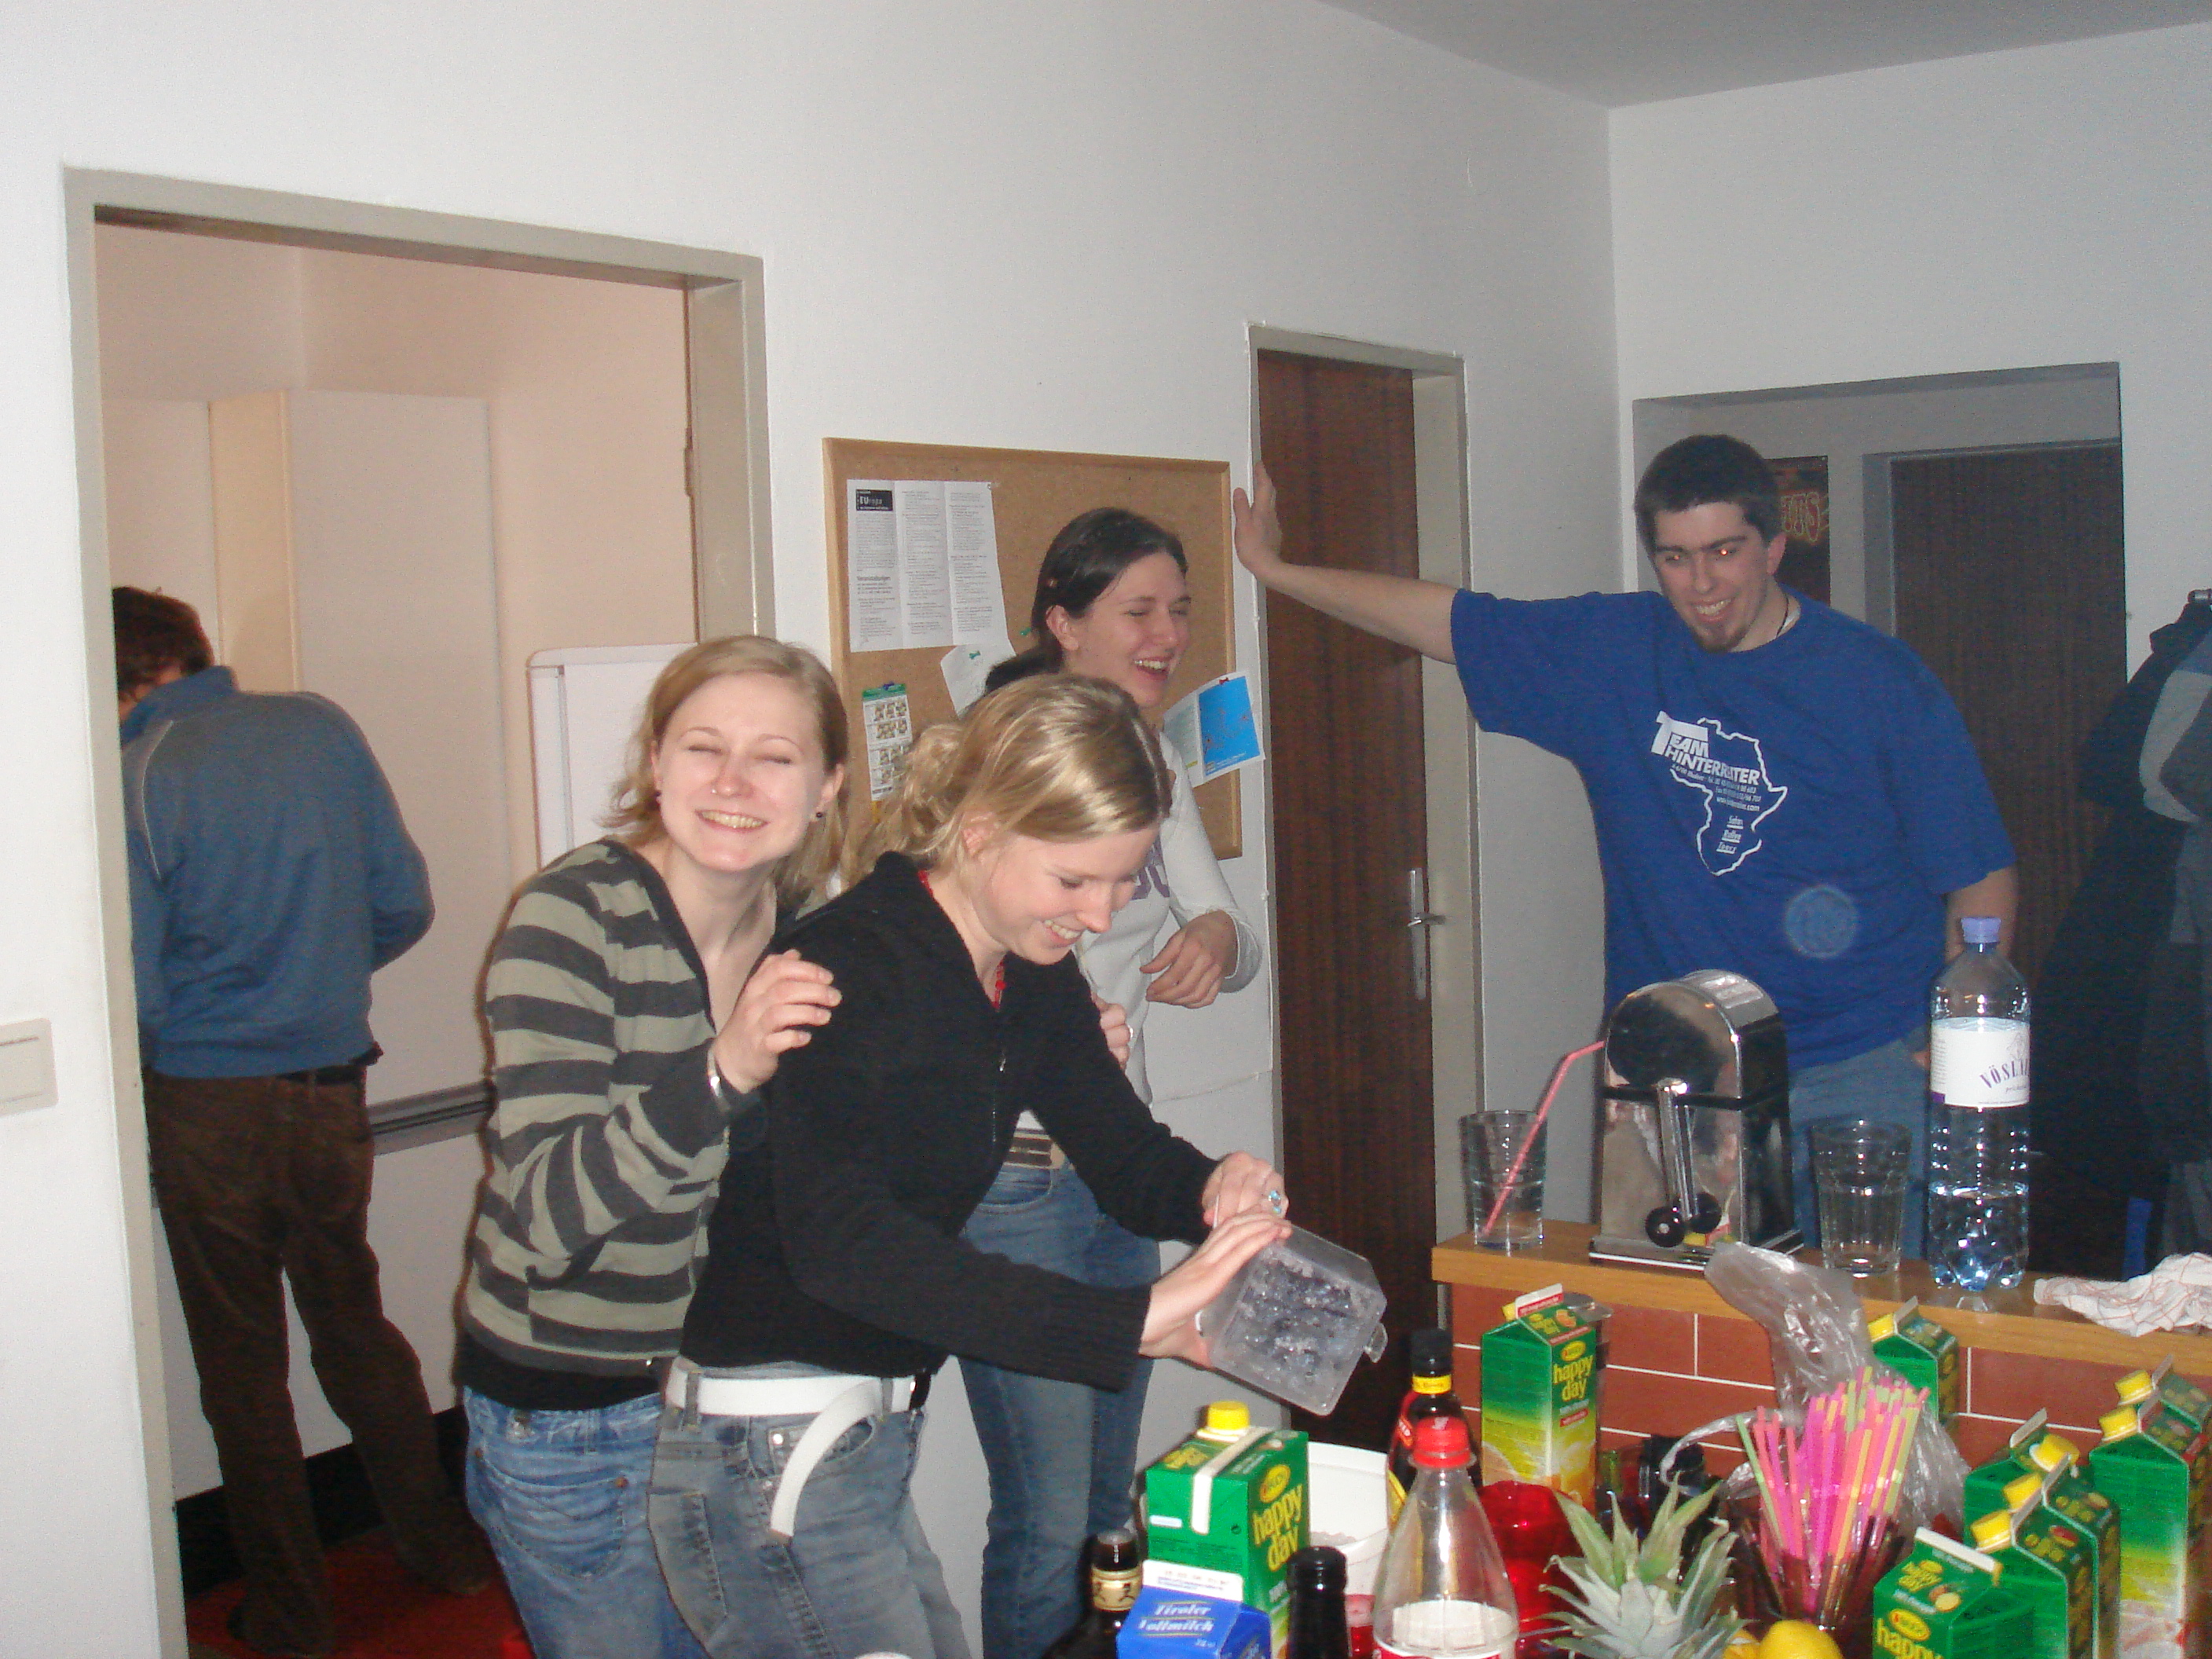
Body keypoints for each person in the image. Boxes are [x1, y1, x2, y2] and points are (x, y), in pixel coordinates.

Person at [1232, 436, 2017, 1251]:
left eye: (1724, 551)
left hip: (1859, 1061)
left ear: (1774, 548)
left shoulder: (1877, 681)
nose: (1701, 583)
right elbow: (1449, 622)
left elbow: (1981, 875)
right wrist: (1276, 571)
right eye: (1675, 558)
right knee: (1674, 1313)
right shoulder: (1613, 651)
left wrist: (1957, 1038)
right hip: (1676, 1070)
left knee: (1875, 1316)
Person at [649, 674, 1292, 1659]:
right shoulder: (848, 967)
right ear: (981, 832)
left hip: (854, 1431)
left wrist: (1213, 1188)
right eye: (1073, 881)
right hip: (765, 1441)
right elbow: (844, 1248)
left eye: (1124, 880)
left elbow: (1124, 1155)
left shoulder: (1024, 974)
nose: (1100, 914)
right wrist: (1127, 1323)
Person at [115, 587, 489, 1659]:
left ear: (124, 681)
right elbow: (403, 903)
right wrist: (313, 981)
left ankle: (292, 1616)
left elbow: (139, 990)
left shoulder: (139, 770)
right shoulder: (321, 725)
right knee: (355, 1322)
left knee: (242, 1368)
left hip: (209, 1103)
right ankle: (445, 1550)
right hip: (332, 1088)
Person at [457, 637, 849, 1659]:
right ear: (656, 763)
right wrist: (723, 1069)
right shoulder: (571, 919)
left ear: (825, 787)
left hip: (732, 1400)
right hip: (575, 1419)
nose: (732, 782)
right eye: (703, 747)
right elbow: (547, 1218)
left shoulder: (808, 937)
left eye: (774, 756)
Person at [967, 507, 1263, 1658]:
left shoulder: (1150, 755)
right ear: (1062, 622)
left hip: (1119, 1165)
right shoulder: (1004, 761)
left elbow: (1238, 939)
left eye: (1178, 610)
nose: (1167, 635)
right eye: (1138, 610)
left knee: (1105, 1507)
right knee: (1045, 1521)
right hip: (1015, 1179)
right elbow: (943, 965)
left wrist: (1217, 941)